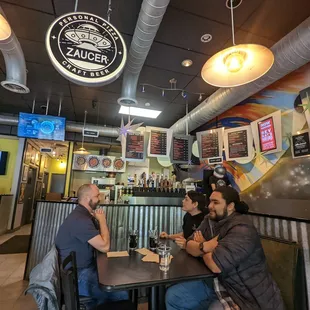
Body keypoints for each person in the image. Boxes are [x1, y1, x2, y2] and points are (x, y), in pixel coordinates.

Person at [166, 187, 284, 310]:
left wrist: (200, 249)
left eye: (215, 202)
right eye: (210, 201)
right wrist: (206, 245)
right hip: (217, 283)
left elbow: (215, 265)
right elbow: (188, 244)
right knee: (174, 296)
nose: (210, 206)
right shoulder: (210, 219)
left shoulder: (242, 229)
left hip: (244, 294)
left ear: (230, 206)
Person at [55, 184, 128, 307]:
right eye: (97, 196)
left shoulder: (82, 215)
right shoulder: (80, 220)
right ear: (88, 198)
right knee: (121, 293)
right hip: (77, 276)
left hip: (80, 269)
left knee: (113, 280)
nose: (99, 198)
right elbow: (105, 247)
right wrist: (102, 220)